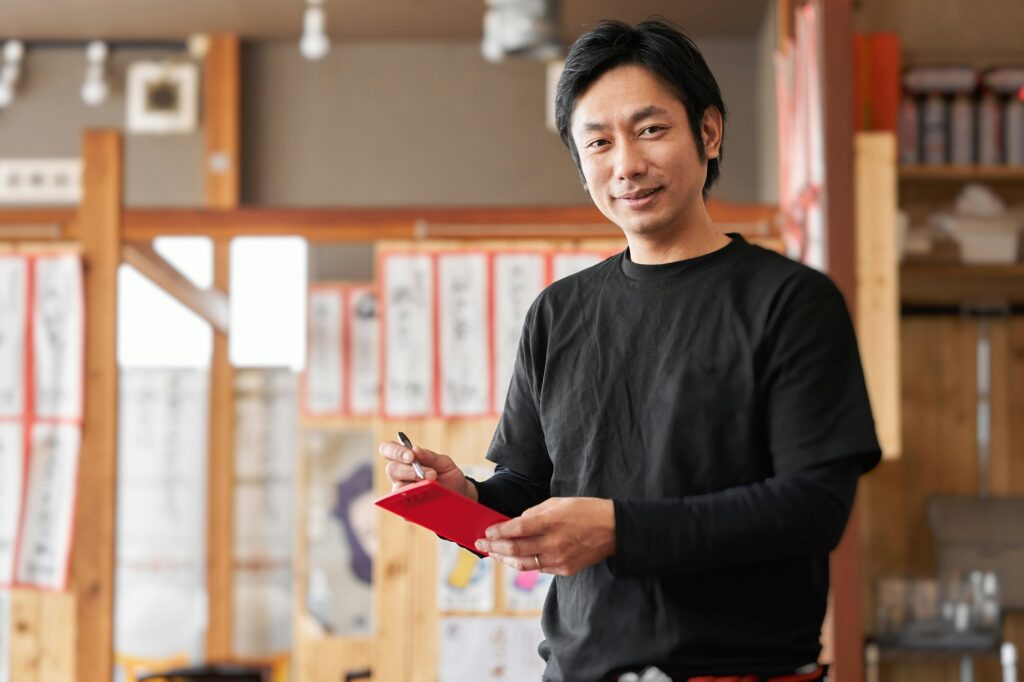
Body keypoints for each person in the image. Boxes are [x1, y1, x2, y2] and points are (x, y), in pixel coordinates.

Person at [378, 18, 880, 682]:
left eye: (650, 129)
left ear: (708, 132)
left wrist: (621, 529)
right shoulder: (559, 314)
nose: (627, 165)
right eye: (598, 142)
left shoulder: (788, 301)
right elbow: (529, 487)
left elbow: (815, 507)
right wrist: (462, 493)